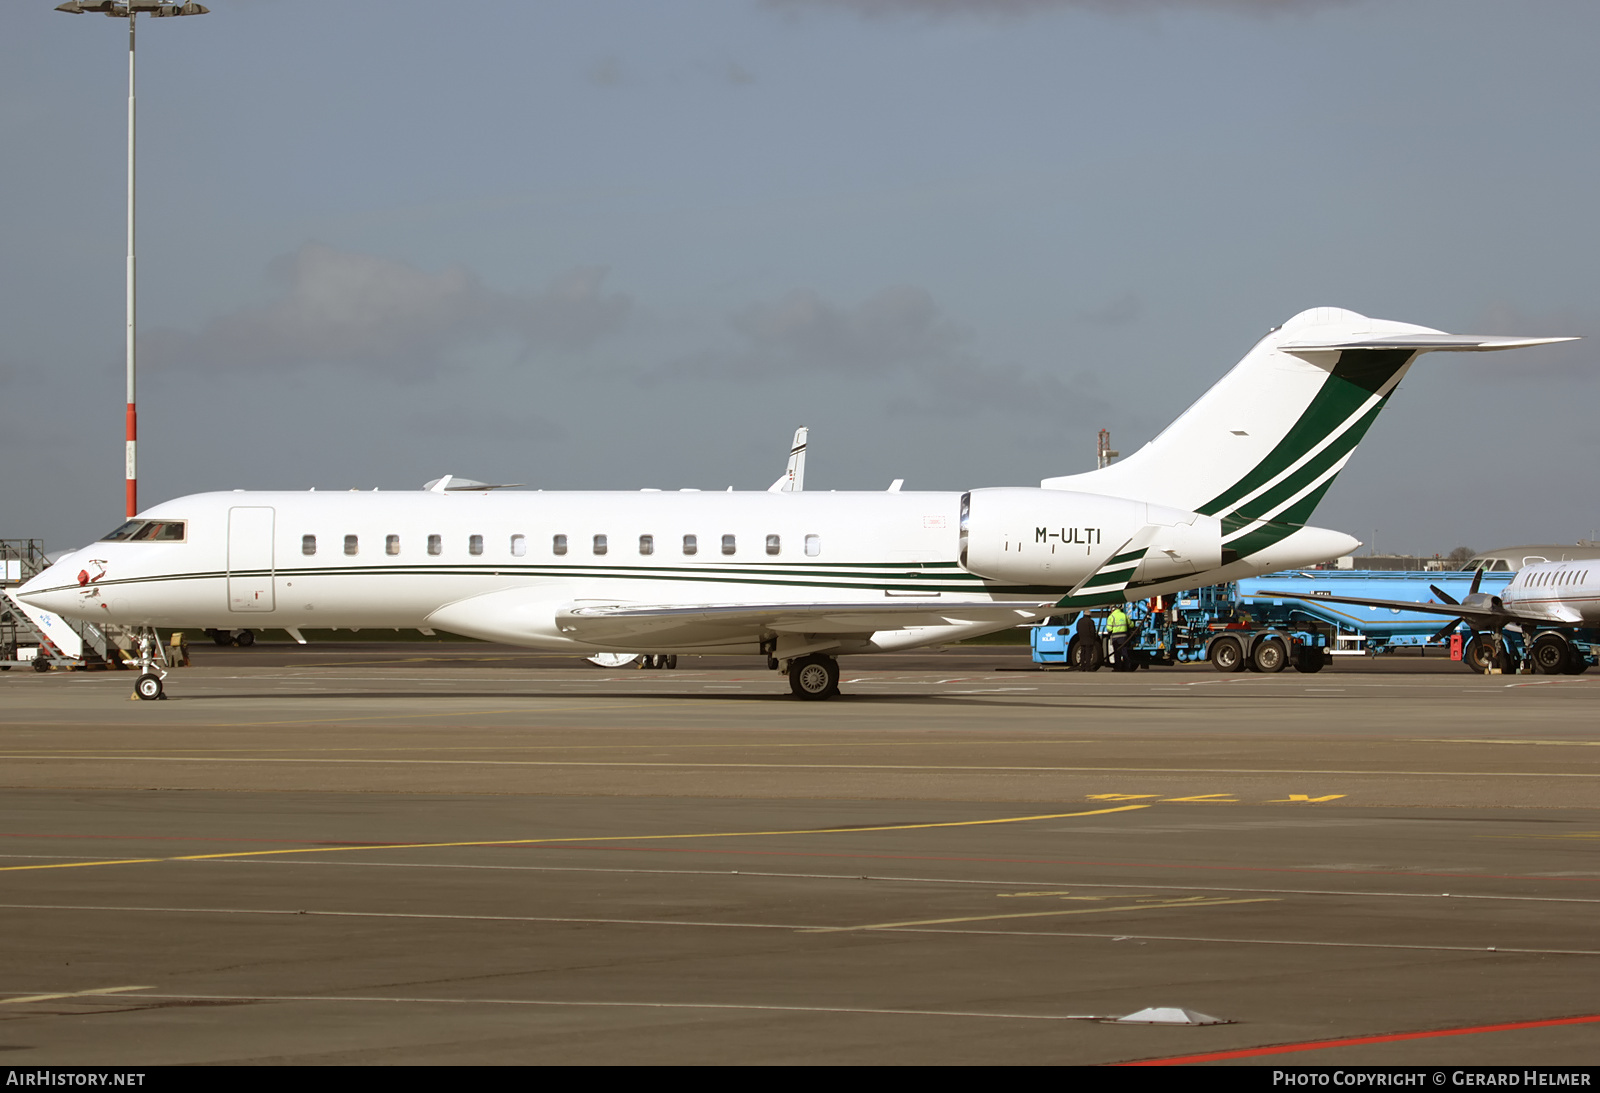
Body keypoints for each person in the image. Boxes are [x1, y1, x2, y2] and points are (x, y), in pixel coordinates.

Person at [1107, 604, 1132, 671]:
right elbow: (1131, 625)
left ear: (1112, 609)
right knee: (1124, 652)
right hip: (1124, 637)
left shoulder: (1111, 616)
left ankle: (1118, 668)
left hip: (1115, 637)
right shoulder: (1124, 615)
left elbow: (1109, 628)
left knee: (1117, 653)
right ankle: (1127, 667)